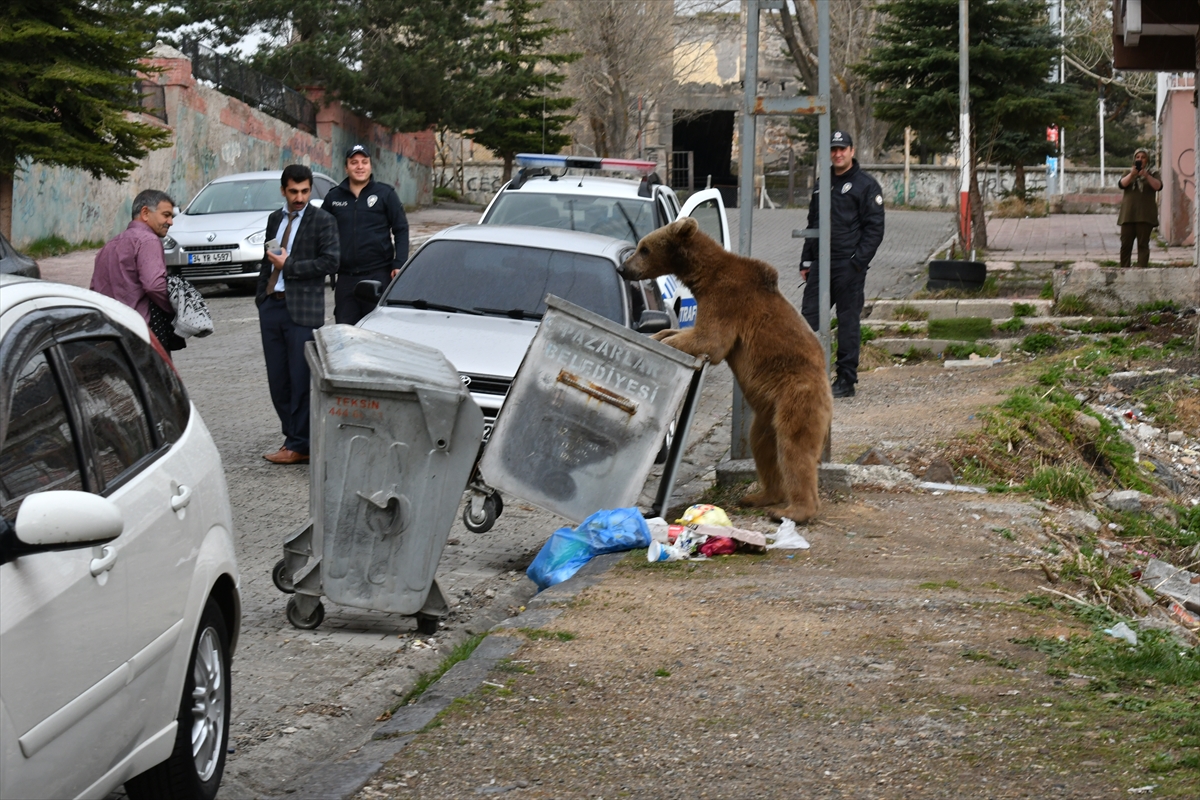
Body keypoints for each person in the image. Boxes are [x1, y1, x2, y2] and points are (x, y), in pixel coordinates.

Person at [256, 164, 340, 465]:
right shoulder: (274, 219)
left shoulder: (323, 221)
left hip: (304, 311)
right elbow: (267, 260)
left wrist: (289, 267)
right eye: (294, 191)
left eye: (305, 191)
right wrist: (261, 297)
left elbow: (331, 262)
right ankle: (293, 438)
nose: (300, 197)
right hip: (272, 306)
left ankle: (299, 444)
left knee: (300, 379)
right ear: (283, 190)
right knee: (278, 380)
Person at [799, 130, 885, 398]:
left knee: (847, 323)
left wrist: (857, 262)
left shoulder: (866, 186)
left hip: (848, 267)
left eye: (842, 149)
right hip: (821, 265)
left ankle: (846, 380)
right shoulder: (822, 183)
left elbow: (875, 229)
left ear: (852, 150)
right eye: (834, 149)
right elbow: (813, 223)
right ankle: (806, 376)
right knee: (807, 320)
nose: (838, 154)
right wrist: (806, 259)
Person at [324, 144, 410, 324]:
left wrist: (399, 263)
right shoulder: (334, 198)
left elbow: (401, 229)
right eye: (354, 162)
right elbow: (321, 232)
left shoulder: (385, 194)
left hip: (378, 275)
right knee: (345, 332)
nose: (360, 166)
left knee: (377, 329)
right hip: (346, 278)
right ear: (346, 167)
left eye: (364, 162)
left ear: (370, 166)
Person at [91, 189, 175, 325]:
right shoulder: (148, 240)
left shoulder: (108, 246)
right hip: (138, 328)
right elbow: (154, 285)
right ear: (145, 213)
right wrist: (175, 308)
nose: (170, 222)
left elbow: (95, 290)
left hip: (109, 329)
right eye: (166, 215)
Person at [1117, 147, 1162, 269]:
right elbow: (1122, 184)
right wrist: (1132, 174)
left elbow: (1158, 186)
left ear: (1147, 160)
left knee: (1143, 244)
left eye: (1143, 157)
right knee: (1126, 244)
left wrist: (1146, 175)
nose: (1140, 159)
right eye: (1137, 157)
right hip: (1128, 215)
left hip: (1145, 215)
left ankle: (1142, 269)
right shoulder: (1128, 173)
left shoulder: (1153, 173)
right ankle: (1124, 269)